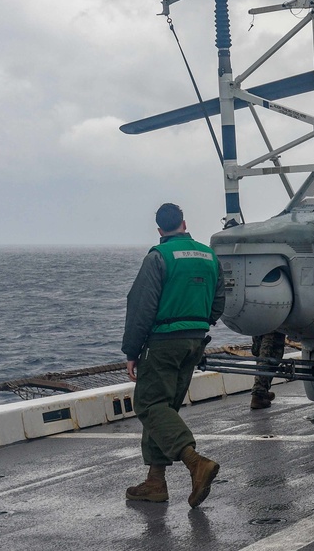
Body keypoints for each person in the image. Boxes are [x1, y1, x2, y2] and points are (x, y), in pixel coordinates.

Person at [122, 203, 225, 508]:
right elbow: (219, 301)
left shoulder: (158, 257)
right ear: (184, 223)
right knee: (164, 409)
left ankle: (195, 462)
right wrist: (200, 322)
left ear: (159, 230)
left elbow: (141, 307)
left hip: (164, 340)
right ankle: (155, 482)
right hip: (195, 340)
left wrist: (132, 350)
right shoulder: (209, 255)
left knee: (149, 403)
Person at [250, 331, 286, 409]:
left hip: (256, 323)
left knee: (260, 353)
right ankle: (259, 395)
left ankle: (262, 390)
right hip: (272, 324)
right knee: (270, 355)